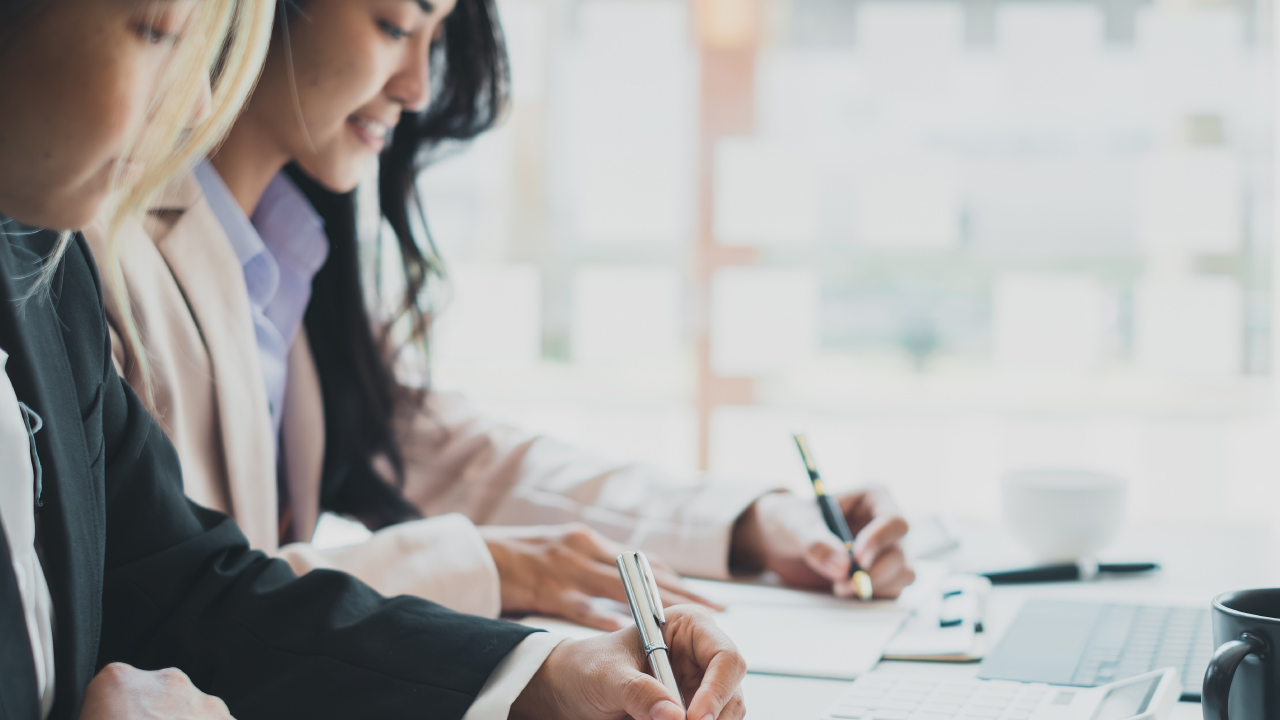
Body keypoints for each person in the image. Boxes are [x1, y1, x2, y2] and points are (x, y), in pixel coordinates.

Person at [0, 0, 748, 718]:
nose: (197, 96)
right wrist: (491, 572)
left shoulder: (49, 259)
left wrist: (545, 675)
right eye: (163, 30)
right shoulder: (82, 236)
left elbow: (184, 587)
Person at [93, 0, 917, 632]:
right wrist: (483, 567)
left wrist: (751, 525)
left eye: (437, 36)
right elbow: (180, 600)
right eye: (393, 24)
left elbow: (466, 459)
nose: (417, 86)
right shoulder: (99, 252)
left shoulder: (291, 251)